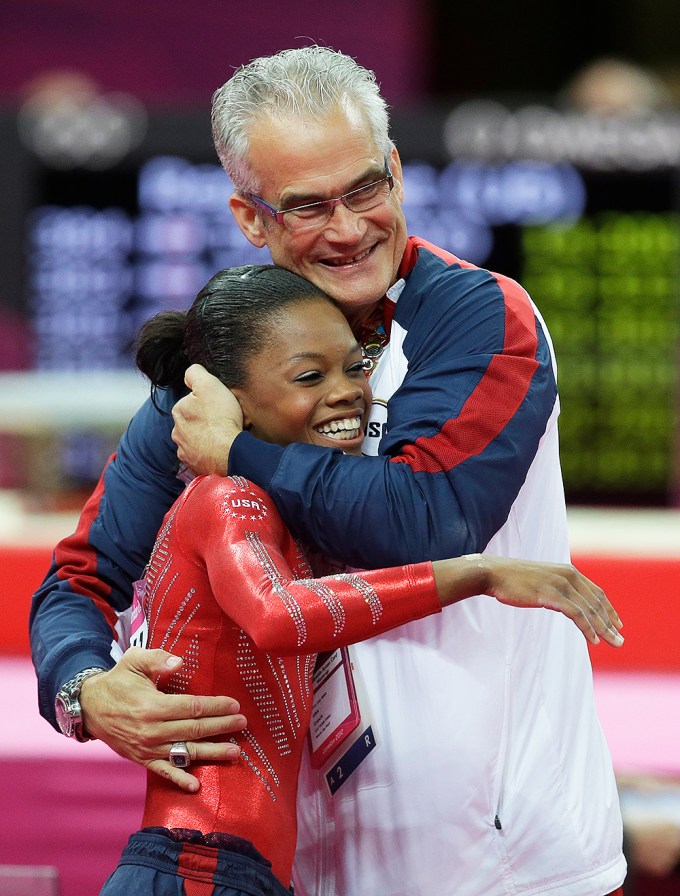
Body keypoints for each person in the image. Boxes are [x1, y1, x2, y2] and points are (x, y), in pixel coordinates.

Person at [29, 46, 627, 896]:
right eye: (307, 206)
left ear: (395, 170)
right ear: (249, 216)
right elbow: (80, 580)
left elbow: (428, 520)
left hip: (509, 868)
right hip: (289, 870)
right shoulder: (217, 366)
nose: (347, 229)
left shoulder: (481, 316)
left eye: (364, 190)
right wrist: (87, 692)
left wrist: (238, 454)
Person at [99, 263, 623, 896]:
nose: (348, 392)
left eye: (356, 365)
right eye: (309, 377)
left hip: (233, 869)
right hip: (196, 868)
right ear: (228, 399)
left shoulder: (270, 504)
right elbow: (280, 616)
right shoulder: (226, 496)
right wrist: (476, 573)